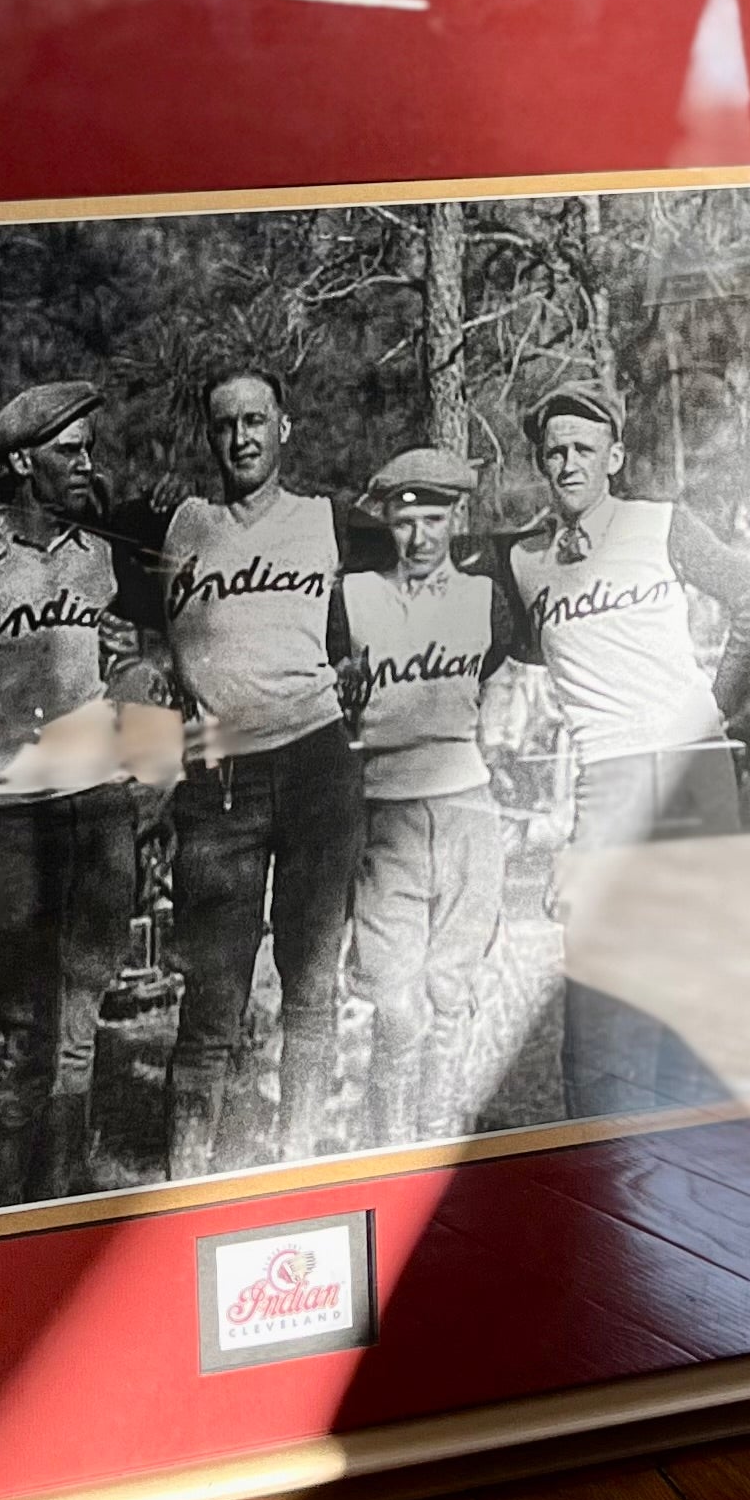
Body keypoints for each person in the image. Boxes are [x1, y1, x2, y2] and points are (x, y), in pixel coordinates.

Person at [502, 377, 750, 1122]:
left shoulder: (660, 525)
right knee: (600, 1002)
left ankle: (701, 1173)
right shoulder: (528, 563)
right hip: (608, 780)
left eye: (584, 449)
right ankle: (604, 1176)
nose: (568, 464)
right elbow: (531, 648)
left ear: (614, 456)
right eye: (554, 451)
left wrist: (715, 702)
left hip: (694, 769)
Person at [156, 367, 379, 1179]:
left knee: (309, 981)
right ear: (209, 436)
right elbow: (67, 513)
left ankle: (300, 1156)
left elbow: (424, 552)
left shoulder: (329, 521)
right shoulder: (180, 525)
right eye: (225, 424)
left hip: (317, 765)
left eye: (256, 420)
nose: (242, 437)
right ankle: (188, 1172)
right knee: (213, 993)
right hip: (219, 781)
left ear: (285, 427)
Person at [0, 377, 152, 1204]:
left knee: (80, 1022)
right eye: (69, 452)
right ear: (22, 460)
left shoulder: (101, 549)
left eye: (89, 450)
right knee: (26, 1033)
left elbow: (149, 659)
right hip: (4, 813)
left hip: (97, 806)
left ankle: (67, 1195)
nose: (86, 465)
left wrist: (136, 677)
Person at [340, 448, 523, 1150]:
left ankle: (440, 1147)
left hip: (467, 810)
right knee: (395, 1005)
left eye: (434, 520)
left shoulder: (485, 601)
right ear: (386, 520)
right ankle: (390, 1151)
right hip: (386, 811)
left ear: (457, 518)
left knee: (451, 997)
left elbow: (494, 669)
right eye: (404, 520)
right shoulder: (354, 598)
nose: (419, 538)